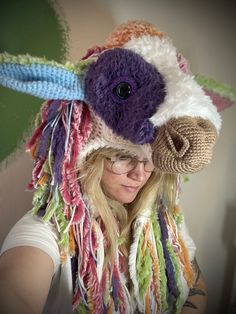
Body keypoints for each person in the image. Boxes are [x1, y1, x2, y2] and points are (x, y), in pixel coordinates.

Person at [0, 20, 222, 313]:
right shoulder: (50, 232)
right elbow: (17, 291)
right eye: (121, 157)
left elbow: (196, 284)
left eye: (147, 161)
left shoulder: (163, 224)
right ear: (86, 158)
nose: (139, 174)